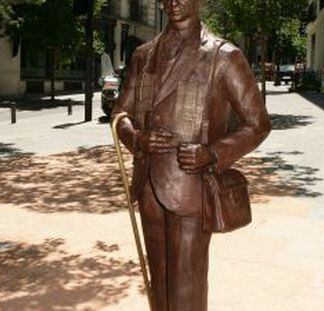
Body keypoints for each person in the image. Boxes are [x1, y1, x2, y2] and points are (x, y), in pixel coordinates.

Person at [111, 0, 271, 310]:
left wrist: (212, 154)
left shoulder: (223, 56)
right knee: (158, 279)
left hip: (191, 188)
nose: (173, 2)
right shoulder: (143, 55)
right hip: (148, 186)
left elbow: (258, 124)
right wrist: (135, 138)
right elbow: (121, 113)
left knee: (187, 283)